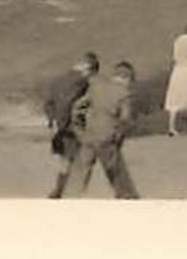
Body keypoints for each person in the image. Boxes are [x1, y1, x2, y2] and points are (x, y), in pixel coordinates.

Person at [68, 60, 140, 199]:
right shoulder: (124, 94)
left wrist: (79, 129)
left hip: (89, 135)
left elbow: (78, 107)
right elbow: (125, 119)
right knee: (118, 174)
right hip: (107, 137)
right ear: (127, 78)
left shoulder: (97, 87)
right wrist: (118, 136)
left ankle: (69, 200)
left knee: (80, 175)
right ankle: (128, 200)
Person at [43, 51, 99, 199]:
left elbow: (49, 103)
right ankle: (67, 193)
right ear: (88, 69)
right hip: (70, 128)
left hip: (57, 126)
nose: (91, 78)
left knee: (65, 161)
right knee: (82, 161)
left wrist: (53, 122)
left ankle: (59, 192)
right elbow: (70, 105)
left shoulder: (59, 79)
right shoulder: (81, 82)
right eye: (92, 74)